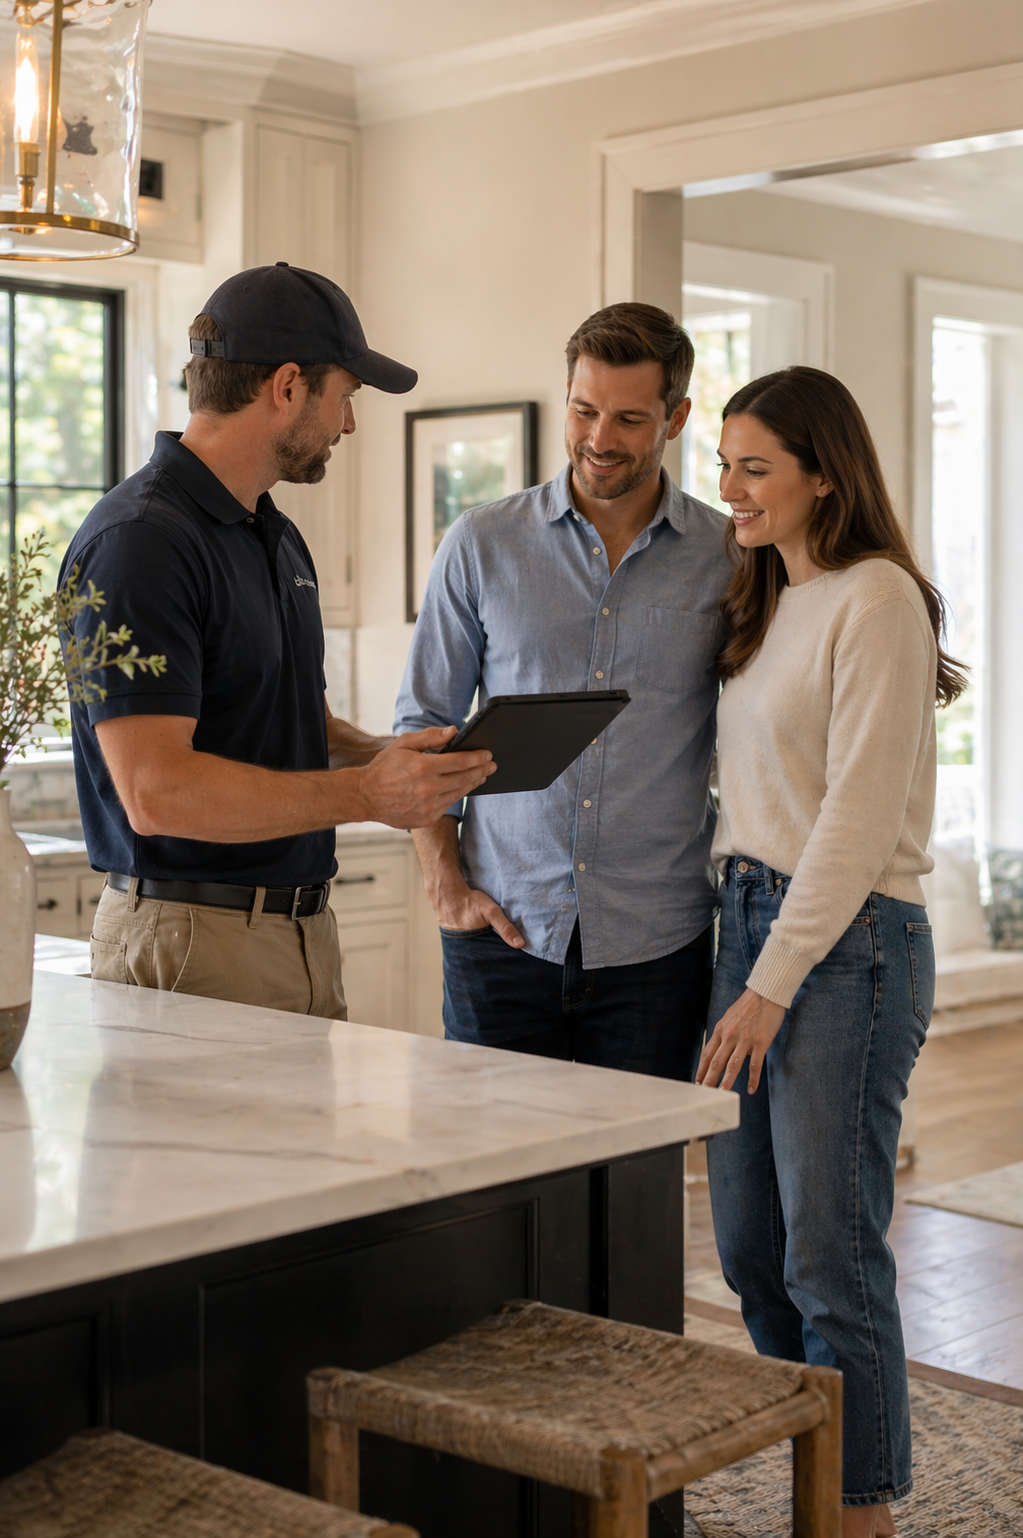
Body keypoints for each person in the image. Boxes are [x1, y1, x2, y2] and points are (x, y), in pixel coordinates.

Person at [60, 264, 495, 1019]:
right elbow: (156, 793)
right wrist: (365, 795)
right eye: (345, 398)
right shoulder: (141, 543)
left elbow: (290, 724)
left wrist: (388, 757)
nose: (348, 425)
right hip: (191, 939)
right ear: (288, 386)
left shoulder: (275, 535)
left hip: (295, 933)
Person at [696, 366, 966, 1538]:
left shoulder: (879, 599)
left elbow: (853, 823)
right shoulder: (761, 596)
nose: (732, 488)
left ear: (823, 471)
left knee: (831, 1253)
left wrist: (768, 983)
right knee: (751, 1249)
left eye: (757, 466)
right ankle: (826, 1475)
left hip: (847, 946)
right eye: (726, 462)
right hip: (747, 921)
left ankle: (855, 1515)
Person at [394, 302, 732, 1077]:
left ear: (675, 418)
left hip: (659, 943)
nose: (599, 440)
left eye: (629, 419)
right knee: (498, 1185)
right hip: (502, 936)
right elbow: (423, 723)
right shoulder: (481, 543)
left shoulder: (728, 559)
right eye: (583, 411)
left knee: (632, 1188)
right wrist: (445, 889)